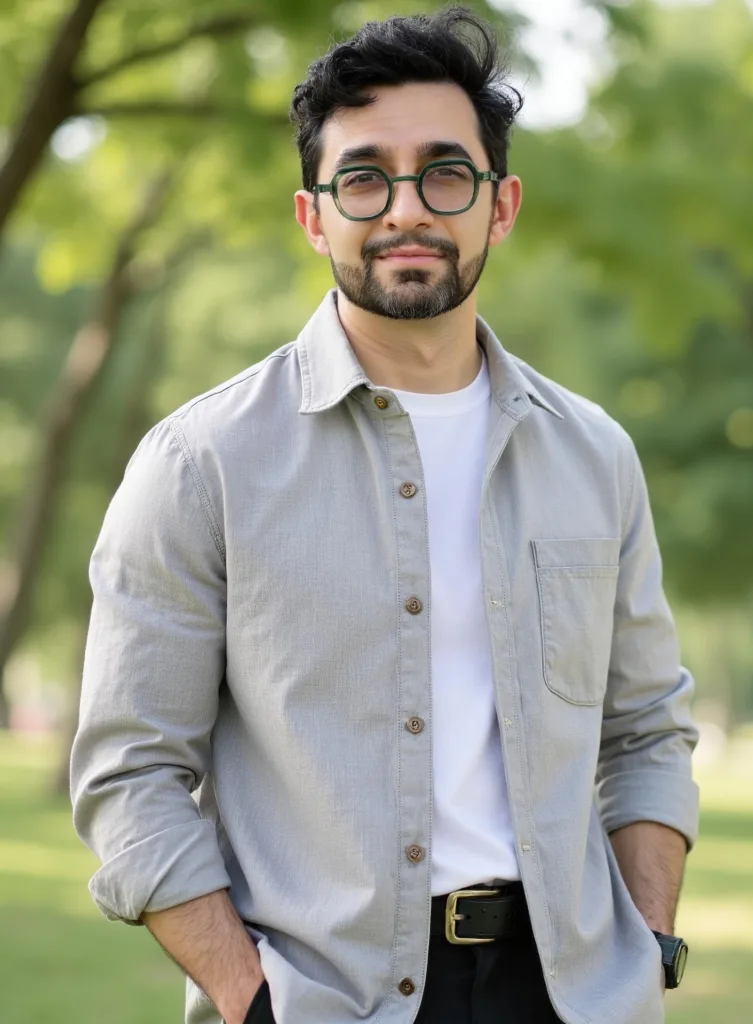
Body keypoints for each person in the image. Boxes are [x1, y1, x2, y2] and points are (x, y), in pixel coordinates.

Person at [70, 8, 699, 1024]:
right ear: (313, 215)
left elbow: (645, 733)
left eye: (445, 173)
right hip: (324, 1001)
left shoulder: (594, 456)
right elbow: (129, 771)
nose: (406, 208)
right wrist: (251, 999)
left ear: (500, 205)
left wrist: (648, 944)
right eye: (363, 178)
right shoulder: (201, 465)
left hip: (569, 995)